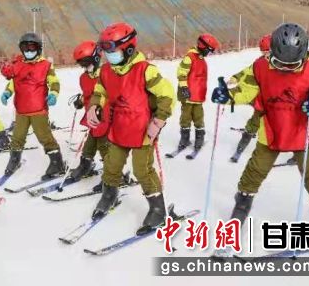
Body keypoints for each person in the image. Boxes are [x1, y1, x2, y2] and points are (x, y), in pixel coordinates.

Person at [212, 23, 309, 244]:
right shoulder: (260, 67)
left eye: (293, 65)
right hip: (271, 128)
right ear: (272, 53)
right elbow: (246, 90)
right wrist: (228, 96)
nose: (286, 69)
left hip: (303, 131)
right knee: (255, 170)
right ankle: (242, 204)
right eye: (280, 63)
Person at [86, 22, 175, 235]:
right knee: (111, 164)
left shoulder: (145, 70)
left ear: (128, 48)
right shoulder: (107, 71)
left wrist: (159, 121)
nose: (108, 55)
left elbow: (167, 96)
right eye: (105, 51)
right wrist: (94, 105)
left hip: (143, 130)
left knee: (142, 170)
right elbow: (101, 90)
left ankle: (157, 208)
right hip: (119, 127)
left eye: (112, 50)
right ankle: (109, 195)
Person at [0, 32, 65, 179]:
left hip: (38, 110)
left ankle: (57, 162)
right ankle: (14, 159)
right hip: (22, 110)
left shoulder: (46, 65)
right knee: (17, 137)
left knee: (45, 137)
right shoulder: (18, 65)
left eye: (32, 47)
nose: (29, 51)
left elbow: (54, 82)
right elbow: (13, 83)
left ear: (38, 48)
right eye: (25, 48)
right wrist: (7, 93)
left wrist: (54, 94)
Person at [69, 40, 110, 184]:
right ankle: (85, 165)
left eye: (86, 62)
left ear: (97, 58)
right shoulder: (84, 78)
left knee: (105, 148)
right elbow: (87, 94)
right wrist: (81, 101)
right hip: (93, 119)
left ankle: (114, 176)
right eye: (81, 63)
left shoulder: (108, 73)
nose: (84, 66)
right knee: (90, 145)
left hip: (108, 120)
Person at [176, 33, 219, 152]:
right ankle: (184, 138)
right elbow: (181, 73)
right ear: (203, 46)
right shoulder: (190, 57)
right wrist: (184, 88)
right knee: (185, 118)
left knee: (198, 117)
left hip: (198, 96)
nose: (209, 53)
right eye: (209, 50)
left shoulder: (201, 59)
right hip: (188, 95)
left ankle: (200, 137)